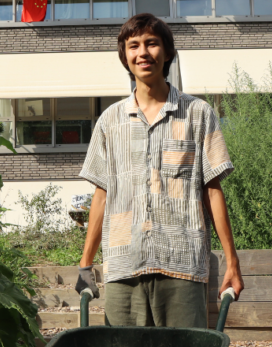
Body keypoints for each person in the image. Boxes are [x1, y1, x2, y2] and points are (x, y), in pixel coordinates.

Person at [75, 13, 244, 328]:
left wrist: (232, 260)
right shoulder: (109, 122)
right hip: (123, 267)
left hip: (182, 265)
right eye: (133, 45)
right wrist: (86, 264)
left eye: (151, 43)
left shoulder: (198, 114)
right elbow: (101, 194)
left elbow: (212, 190)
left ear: (167, 52)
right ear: (125, 57)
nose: (143, 52)